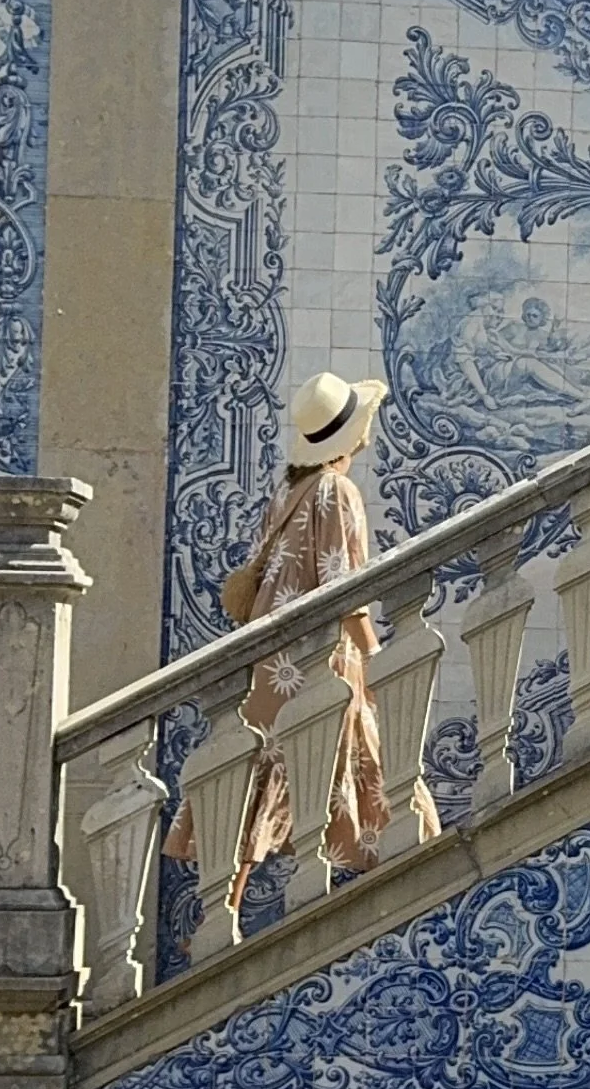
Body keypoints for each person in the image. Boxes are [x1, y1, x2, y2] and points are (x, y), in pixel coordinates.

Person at [164, 370, 438, 907]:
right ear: (353, 436)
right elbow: (344, 587)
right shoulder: (337, 492)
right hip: (320, 659)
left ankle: (221, 911)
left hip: (273, 663)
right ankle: (423, 880)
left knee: (268, 772)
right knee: (363, 761)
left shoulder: (291, 491)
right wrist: (375, 655)